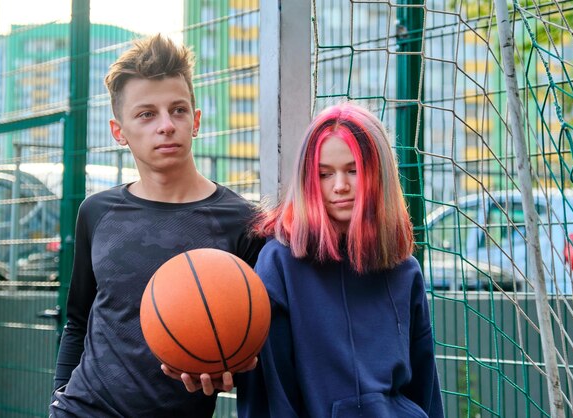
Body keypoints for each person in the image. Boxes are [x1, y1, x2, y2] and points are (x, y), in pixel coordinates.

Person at [49, 34, 264, 418]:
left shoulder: (244, 222)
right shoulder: (96, 212)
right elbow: (78, 319)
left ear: (195, 121)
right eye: (147, 114)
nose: (166, 125)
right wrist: (59, 394)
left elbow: (257, 339)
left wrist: (237, 363)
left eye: (178, 110)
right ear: (119, 131)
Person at [236, 102, 444, 417]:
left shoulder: (404, 269)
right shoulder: (280, 263)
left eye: (353, 170)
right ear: (308, 179)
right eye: (325, 174)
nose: (340, 186)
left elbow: (425, 383)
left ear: (379, 174)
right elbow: (271, 391)